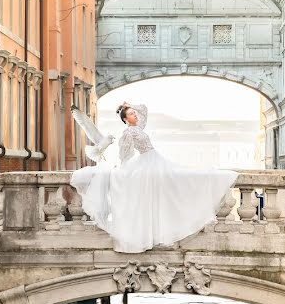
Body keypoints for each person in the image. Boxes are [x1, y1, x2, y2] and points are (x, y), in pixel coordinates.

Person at [69, 102, 238, 253]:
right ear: (125, 119)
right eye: (131, 114)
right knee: (166, 188)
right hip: (147, 163)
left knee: (174, 183)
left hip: (155, 160)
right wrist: (123, 171)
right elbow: (124, 155)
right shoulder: (128, 133)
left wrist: (129, 104)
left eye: (134, 113)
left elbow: (144, 109)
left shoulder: (138, 127)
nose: (135, 114)